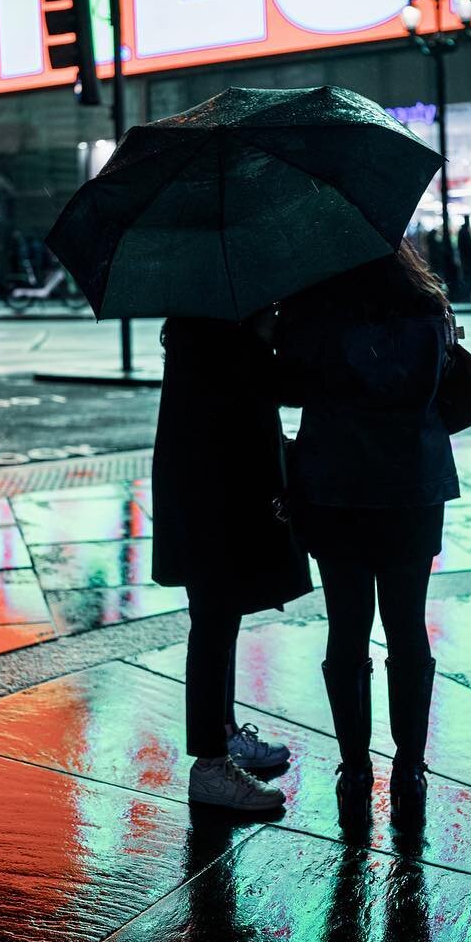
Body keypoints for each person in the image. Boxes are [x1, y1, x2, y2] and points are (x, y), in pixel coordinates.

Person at [275, 243, 459, 825]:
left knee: (347, 628)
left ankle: (355, 772)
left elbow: (286, 385)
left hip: (337, 488)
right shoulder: (428, 306)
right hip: (412, 488)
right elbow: (443, 386)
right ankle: (410, 771)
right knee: (407, 627)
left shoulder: (312, 311)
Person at [151, 314, 313, 814]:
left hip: (211, 495)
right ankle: (210, 764)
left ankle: (222, 735)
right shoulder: (220, 335)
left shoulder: (202, 328)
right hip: (213, 501)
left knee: (221, 620)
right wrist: (272, 339)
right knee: (214, 624)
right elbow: (290, 386)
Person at [456, 215, 471, 303]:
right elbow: (466, 248)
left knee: (468, 277)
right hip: (466, 260)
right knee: (469, 277)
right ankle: (465, 294)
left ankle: (465, 294)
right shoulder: (464, 232)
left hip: (466, 260)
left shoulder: (463, 232)